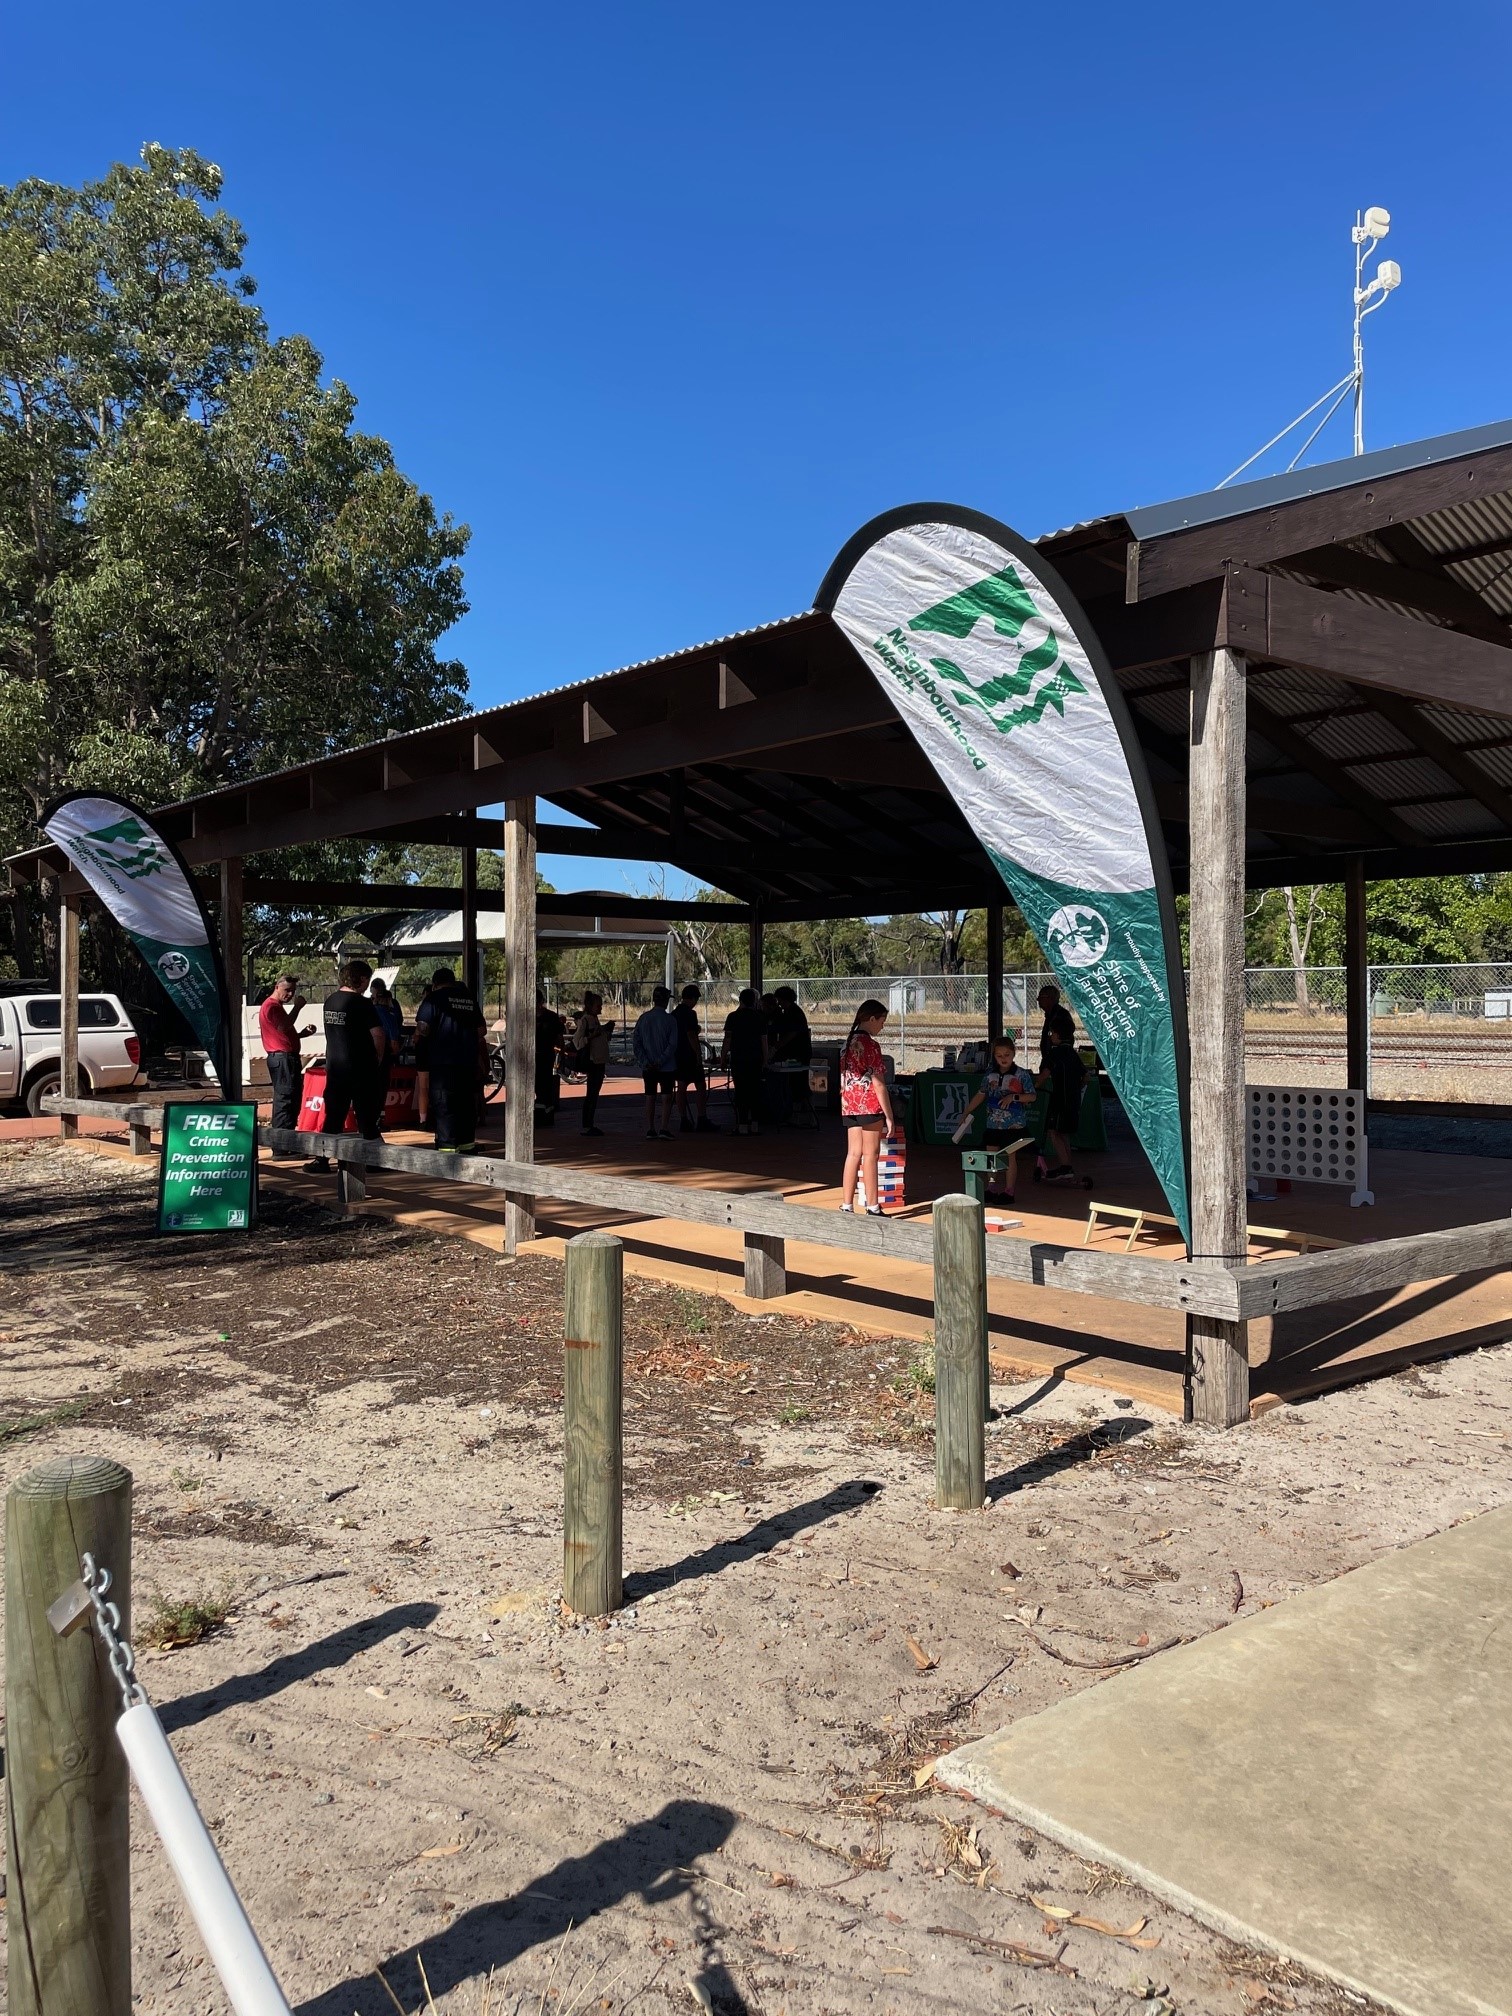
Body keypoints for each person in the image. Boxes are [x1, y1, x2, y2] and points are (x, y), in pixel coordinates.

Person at [305, 960, 386, 1171]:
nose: (367, 985)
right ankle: (376, 1160)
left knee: (334, 1115)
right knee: (367, 1116)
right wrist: (377, 1058)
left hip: (336, 1067)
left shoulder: (330, 1001)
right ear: (361, 979)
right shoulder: (362, 1003)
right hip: (361, 1068)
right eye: (367, 980)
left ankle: (321, 1159)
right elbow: (378, 1034)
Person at [951, 1034, 1037, 1203]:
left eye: (1007, 1055)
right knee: (991, 1155)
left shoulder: (1021, 1074)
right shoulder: (990, 1075)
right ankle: (991, 1187)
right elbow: (981, 1094)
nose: (1003, 1059)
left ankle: (1009, 1191)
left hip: (1013, 1124)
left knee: (1009, 1156)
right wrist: (966, 1111)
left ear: (1013, 1054)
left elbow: (1032, 1096)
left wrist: (1014, 1097)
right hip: (993, 1123)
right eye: (999, 1055)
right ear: (994, 1056)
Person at [414, 966, 488, 1154]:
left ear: (435, 984)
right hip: (467, 1063)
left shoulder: (433, 999)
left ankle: (447, 1151)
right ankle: (467, 1147)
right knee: (466, 1106)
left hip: (443, 1065)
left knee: (444, 1106)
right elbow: (482, 1030)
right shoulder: (468, 999)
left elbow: (423, 1028)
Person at [838, 999, 896, 1213]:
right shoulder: (871, 1045)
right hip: (869, 1104)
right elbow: (879, 1083)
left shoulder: (847, 1043)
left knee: (853, 1154)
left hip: (849, 1103)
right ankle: (873, 1205)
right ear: (872, 1019)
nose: (882, 1026)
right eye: (882, 1021)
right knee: (871, 1154)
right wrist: (889, 1115)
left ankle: (847, 1204)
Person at [258, 974, 315, 1146]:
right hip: (283, 1059)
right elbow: (283, 1026)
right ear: (277, 987)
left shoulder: (275, 1007)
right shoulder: (272, 1007)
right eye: (287, 990)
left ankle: (286, 1143)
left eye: (293, 991)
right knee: (286, 1100)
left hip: (284, 1057)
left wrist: (301, 1035)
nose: (290, 994)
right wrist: (297, 1007)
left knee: (290, 1099)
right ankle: (281, 1146)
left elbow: (280, 1033)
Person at [1038, 1021, 1092, 1187]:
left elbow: (1044, 1074)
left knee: (1054, 1132)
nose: (1050, 1036)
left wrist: (1032, 1087)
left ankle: (1065, 1167)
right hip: (1073, 1100)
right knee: (1064, 1133)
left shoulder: (1054, 1053)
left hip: (1059, 1100)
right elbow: (1086, 1077)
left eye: (1052, 1033)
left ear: (1058, 1035)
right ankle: (1067, 1166)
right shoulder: (1072, 1053)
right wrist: (1076, 1088)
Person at [634, 985, 680, 1139]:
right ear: (666, 1001)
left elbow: (637, 1043)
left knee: (650, 1096)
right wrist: (661, 1061)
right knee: (667, 1097)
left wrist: (645, 1061)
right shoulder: (670, 1020)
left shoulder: (643, 1018)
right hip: (666, 1067)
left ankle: (650, 1128)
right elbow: (672, 1045)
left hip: (648, 1066)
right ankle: (664, 1128)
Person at [721, 987, 769, 1136]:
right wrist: (765, 1060)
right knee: (755, 1092)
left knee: (741, 1092)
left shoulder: (733, 1017)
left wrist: (723, 1057)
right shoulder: (760, 1017)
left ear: (740, 1000)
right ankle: (755, 1125)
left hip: (739, 1059)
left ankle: (742, 1125)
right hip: (756, 1059)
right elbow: (764, 1041)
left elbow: (727, 1040)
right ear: (754, 1001)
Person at [674, 984, 717, 1133]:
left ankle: (683, 1119)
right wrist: (698, 1055)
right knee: (700, 1085)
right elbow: (691, 1035)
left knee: (681, 1086)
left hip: (678, 1054)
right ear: (692, 998)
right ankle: (701, 1117)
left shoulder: (675, 1013)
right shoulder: (690, 1014)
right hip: (689, 1055)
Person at [570, 990, 613, 1136]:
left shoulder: (594, 1019)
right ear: (591, 1006)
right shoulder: (586, 1020)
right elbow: (577, 1041)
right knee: (591, 1094)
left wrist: (606, 1031)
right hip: (593, 1061)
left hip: (599, 1061)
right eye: (598, 1005)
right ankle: (587, 1124)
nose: (600, 1008)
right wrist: (591, 1037)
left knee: (594, 1093)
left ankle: (589, 1123)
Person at [535, 990, 566, 1127]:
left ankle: (545, 1116)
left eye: (538, 1002)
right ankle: (541, 1113)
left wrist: (562, 1053)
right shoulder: (526, 1016)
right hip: (532, 1056)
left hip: (546, 1055)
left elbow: (559, 1037)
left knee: (545, 1085)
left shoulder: (551, 1017)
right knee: (538, 1086)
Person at [768, 985, 812, 1067]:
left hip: (798, 1053)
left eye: (779, 1000)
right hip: (795, 1051)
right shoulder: (789, 1011)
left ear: (784, 999)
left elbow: (790, 1034)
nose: (778, 1003)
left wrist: (775, 1047)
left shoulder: (794, 1013)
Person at [1037, 983, 1076, 1066]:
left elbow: (1065, 1040)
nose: (1038, 1000)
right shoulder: (1051, 1014)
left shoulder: (1060, 1015)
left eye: (1041, 997)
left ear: (1050, 999)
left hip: (1056, 1062)